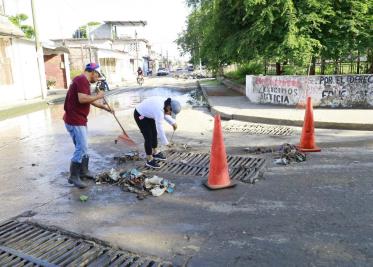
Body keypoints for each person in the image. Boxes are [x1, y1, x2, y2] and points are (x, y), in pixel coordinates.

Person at [63, 63, 113, 189]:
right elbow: (82, 99)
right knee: (82, 147)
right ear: (93, 72)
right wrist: (99, 96)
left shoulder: (82, 81)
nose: (97, 79)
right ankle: (73, 176)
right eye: (97, 75)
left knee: (83, 147)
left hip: (79, 119)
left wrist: (104, 107)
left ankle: (83, 172)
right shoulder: (81, 80)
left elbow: (88, 99)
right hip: (75, 120)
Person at [134, 97, 181, 168]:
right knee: (148, 136)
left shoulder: (166, 105)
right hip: (140, 115)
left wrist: (173, 123)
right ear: (169, 107)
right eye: (171, 113)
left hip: (149, 114)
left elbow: (165, 114)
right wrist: (166, 143)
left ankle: (155, 153)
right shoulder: (159, 109)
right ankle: (149, 160)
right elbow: (160, 128)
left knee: (154, 133)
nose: (170, 115)